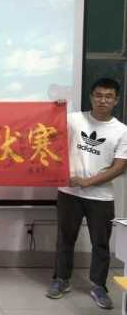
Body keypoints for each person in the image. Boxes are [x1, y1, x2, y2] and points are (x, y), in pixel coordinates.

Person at [46, 77, 127, 309]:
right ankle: (61, 280)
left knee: (100, 243)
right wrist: (54, 110)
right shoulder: (73, 119)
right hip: (69, 192)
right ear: (91, 97)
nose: (103, 100)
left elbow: (119, 166)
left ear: (116, 100)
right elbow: (48, 132)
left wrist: (88, 182)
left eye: (108, 96)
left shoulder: (122, 131)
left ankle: (99, 286)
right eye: (98, 95)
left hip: (100, 197)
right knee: (65, 239)